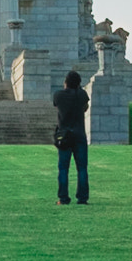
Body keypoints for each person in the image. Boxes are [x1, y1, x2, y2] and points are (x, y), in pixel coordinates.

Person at [53, 70, 89, 205]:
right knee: (82, 168)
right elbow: (85, 108)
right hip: (79, 134)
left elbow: (58, 107)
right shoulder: (82, 94)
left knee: (63, 168)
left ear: (66, 82)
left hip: (64, 136)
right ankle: (82, 198)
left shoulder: (58, 95)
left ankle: (63, 198)